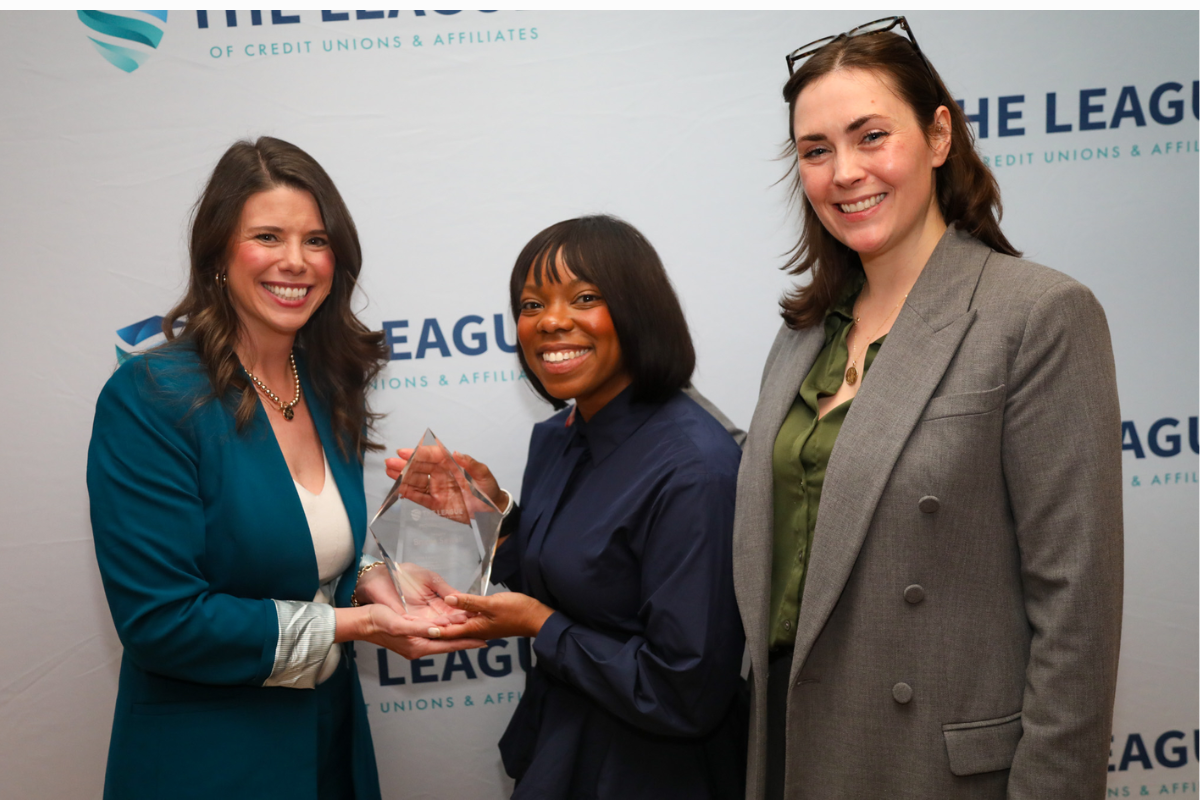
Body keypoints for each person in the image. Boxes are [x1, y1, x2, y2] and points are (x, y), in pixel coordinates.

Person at [734, 18, 1124, 800]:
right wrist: (500, 513)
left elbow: (1076, 614)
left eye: (870, 136)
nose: (844, 172)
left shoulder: (1038, 314)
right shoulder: (807, 331)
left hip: (931, 771)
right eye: (816, 151)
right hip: (789, 744)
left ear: (939, 135)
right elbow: (797, 500)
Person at [87, 136, 481, 800]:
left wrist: (377, 581)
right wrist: (357, 625)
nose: (295, 262)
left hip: (331, 749)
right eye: (268, 236)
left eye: (316, 241)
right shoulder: (151, 397)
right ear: (218, 254)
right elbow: (162, 621)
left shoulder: (327, 385)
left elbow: (306, 555)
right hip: (207, 765)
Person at [386, 215, 748, 799]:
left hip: (655, 777)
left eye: (584, 298)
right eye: (531, 305)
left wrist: (538, 626)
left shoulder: (695, 469)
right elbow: (571, 579)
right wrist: (494, 515)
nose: (551, 321)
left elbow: (684, 692)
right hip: (559, 750)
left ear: (639, 311)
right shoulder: (558, 435)